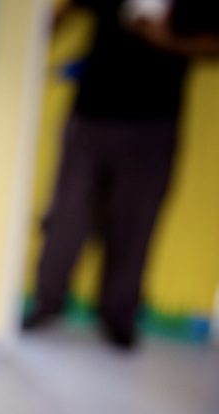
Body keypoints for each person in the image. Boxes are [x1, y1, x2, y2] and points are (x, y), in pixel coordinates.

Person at [24, 0, 219, 349]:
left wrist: (165, 40)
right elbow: (63, 15)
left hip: (153, 125)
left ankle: (118, 315)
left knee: (135, 224)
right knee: (67, 217)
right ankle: (46, 302)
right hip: (89, 116)